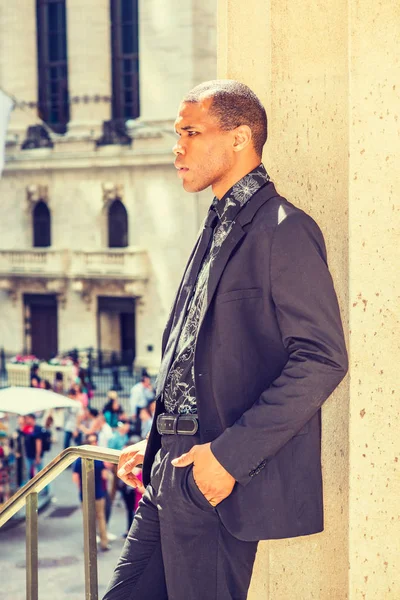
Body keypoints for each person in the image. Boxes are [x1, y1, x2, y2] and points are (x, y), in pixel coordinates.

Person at [103, 80, 348, 600]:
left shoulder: (285, 229)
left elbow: (322, 359)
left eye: (191, 132)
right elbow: (197, 354)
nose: (178, 147)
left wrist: (228, 458)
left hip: (213, 481)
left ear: (239, 138)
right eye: (177, 133)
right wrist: (158, 442)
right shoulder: (215, 223)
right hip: (168, 470)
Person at [72, 433, 110, 552]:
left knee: (89, 520)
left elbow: (75, 478)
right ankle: (104, 543)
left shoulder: (80, 460)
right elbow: (105, 476)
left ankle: (90, 545)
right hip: (99, 493)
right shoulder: (99, 458)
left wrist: (81, 489)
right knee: (101, 518)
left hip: (86, 494)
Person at [22, 413, 44, 480]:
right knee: (29, 473)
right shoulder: (27, 428)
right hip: (28, 455)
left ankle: (45, 489)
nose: (26, 420)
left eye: (28, 418)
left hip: (35, 456)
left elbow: (38, 443)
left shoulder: (37, 429)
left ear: (32, 419)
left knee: (41, 474)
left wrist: (38, 455)